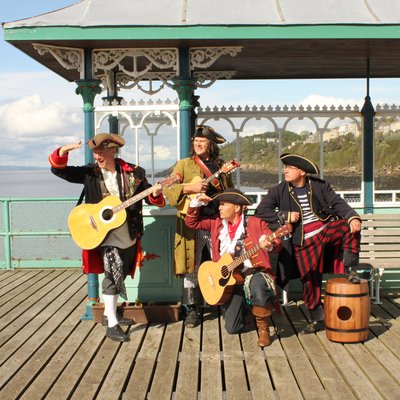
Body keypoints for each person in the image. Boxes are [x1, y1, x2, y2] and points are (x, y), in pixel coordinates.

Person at [48, 133, 165, 342]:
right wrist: (63, 151)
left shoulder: (134, 172)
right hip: (102, 235)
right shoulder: (90, 173)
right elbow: (59, 171)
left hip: (128, 234)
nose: (97, 156)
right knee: (112, 274)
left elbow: (149, 196)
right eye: (95, 152)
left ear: (112, 150)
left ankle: (109, 313)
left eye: (101, 151)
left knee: (120, 273)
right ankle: (111, 323)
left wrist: (155, 192)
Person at [255, 153, 362, 334]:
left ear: (302, 172)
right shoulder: (279, 190)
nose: (285, 171)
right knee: (310, 280)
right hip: (302, 241)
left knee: (349, 225)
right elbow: (261, 210)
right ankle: (317, 319)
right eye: (285, 167)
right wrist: (285, 215)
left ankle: (350, 267)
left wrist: (352, 216)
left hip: (324, 231)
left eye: (290, 168)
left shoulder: (320, 186)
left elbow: (337, 203)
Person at [184, 188, 282, 347]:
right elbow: (191, 222)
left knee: (259, 286)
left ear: (237, 207)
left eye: (223, 204)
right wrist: (197, 203)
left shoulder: (256, 223)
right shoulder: (216, 224)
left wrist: (269, 243)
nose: (219, 207)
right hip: (229, 278)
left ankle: (263, 329)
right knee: (232, 328)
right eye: (219, 205)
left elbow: (277, 244)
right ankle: (247, 310)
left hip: (252, 271)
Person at [163, 125, 235, 328]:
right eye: (195, 140)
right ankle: (192, 309)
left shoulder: (220, 167)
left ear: (211, 145)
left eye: (202, 141)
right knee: (191, 266)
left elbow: (228, 193)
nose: (197, 143)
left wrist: (222, 178)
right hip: (191, 223)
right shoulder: (184, 165)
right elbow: (167, 187)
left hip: (215, 222)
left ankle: (224, 301)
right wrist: (190, 187)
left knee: (222, 262)